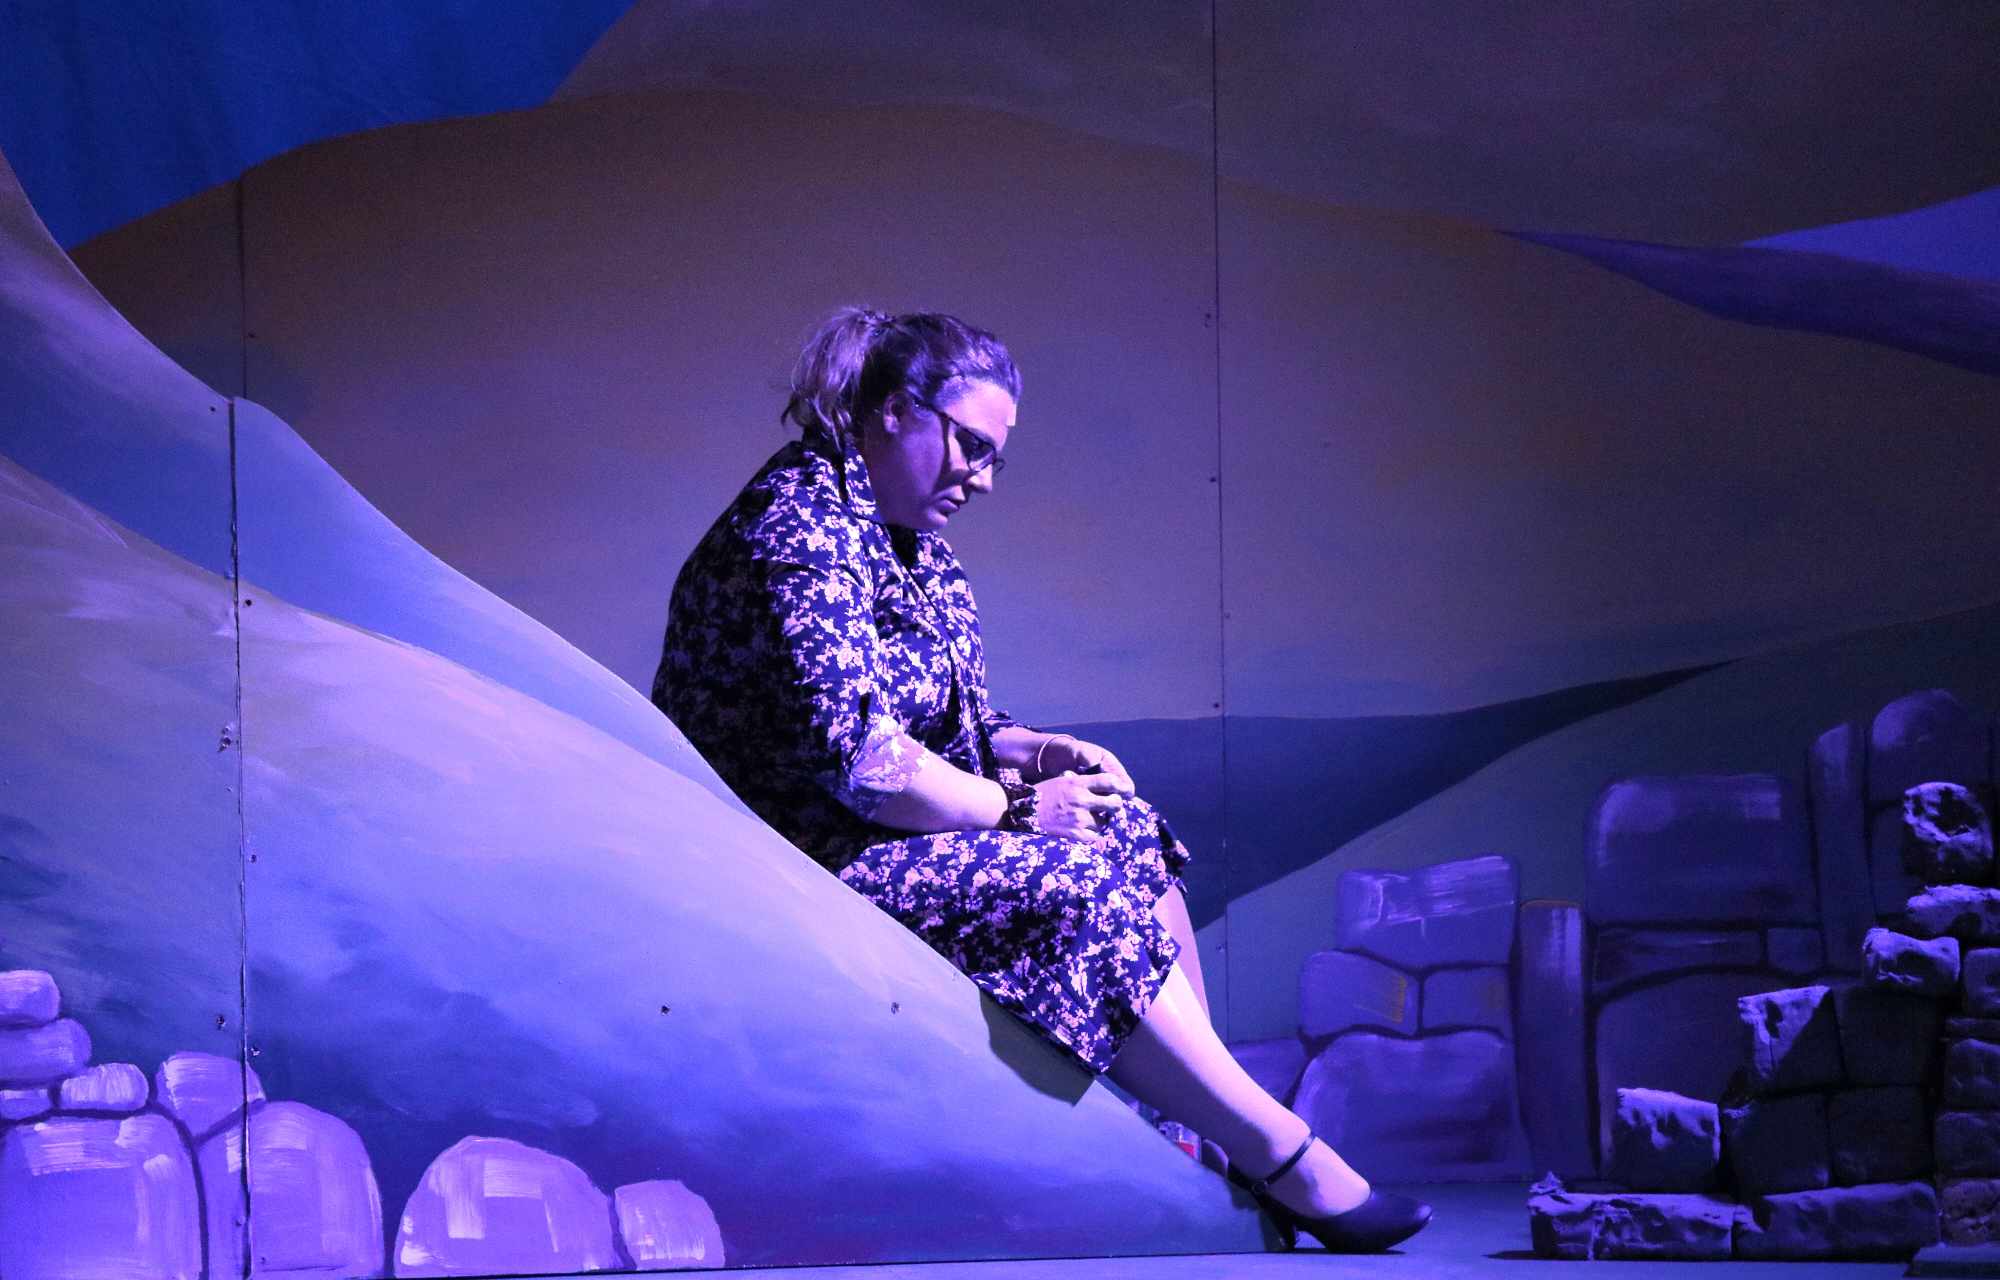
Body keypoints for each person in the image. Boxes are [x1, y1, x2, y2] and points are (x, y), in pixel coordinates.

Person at [651, 306, 1431, 1253]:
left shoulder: (913, 548)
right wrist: (1021, 811)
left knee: (1127, 830)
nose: (982, 479)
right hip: (796, 856)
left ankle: (1204, 1137)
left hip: (879, 832)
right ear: (895, 411)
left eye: (996, 459)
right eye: (971, 446)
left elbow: (954, 726)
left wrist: (1036, 751)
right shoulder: (797, 531)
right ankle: (1284, 1156)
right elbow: (862, 760)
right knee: (1076, 884)